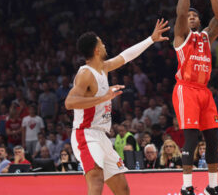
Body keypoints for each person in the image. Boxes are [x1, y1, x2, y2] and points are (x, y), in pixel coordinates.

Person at [64, 20, 169, 195]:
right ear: (97, 50)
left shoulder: (103, 68)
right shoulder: (85, 73)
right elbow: (69, 102)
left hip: (102, 136)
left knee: (122, 188)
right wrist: (104, 97)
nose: (105, 45)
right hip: (86, 134)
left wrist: (151, 39)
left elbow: (125, 56)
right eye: (102, 43)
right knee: (96, 179)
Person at [172, 0, 218, 195]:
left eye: (195, 15)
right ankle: (186, 188)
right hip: (186, 90)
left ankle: (212, 186)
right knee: (191, 138)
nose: (191, 17)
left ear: (199, 21)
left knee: (212, 138)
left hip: (204, 91)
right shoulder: (182, 37)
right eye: (189, 16)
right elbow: (181, 13)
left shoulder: (206, 37)